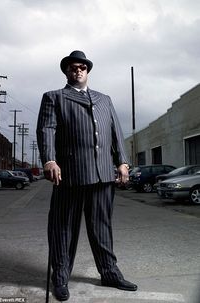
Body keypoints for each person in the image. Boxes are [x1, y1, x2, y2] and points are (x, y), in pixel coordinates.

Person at [36, 50, 137, 301]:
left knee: (102, 228)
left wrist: (122, 162)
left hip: (103, 176)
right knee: (63, 229)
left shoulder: (105, 100)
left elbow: (116, 131)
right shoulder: (54, 98)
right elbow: (46, 130)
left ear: (87, 70)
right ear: (66, 71)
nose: (78, 70)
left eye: (82, 67)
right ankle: (60, 276)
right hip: (69, 175)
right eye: (72, 67)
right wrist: (50, 159)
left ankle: (110, 273)